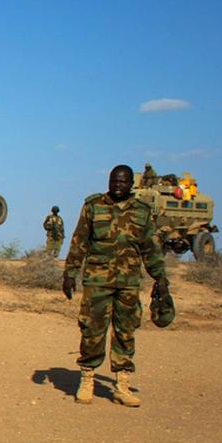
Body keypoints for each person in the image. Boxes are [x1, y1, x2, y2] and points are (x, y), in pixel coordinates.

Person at [63, 165, 168, 407]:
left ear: (131, 184)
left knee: (126, 331)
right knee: (92, 329)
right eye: (114, 181)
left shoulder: (142, 212)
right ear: (109, 181)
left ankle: (122, 385)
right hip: (97, 280)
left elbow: (151, 249)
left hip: (128, 282)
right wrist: (70, 273)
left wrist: (160, 279)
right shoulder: (93, 206)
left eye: (122, 182)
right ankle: (87, 379)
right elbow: (79, 241)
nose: (117, 185)